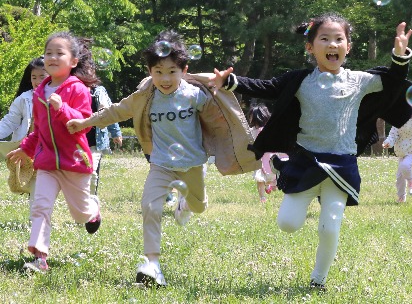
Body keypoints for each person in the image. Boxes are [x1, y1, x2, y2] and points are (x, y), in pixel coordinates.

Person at [197, 12, 412, 290]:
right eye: (324, 39)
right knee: (288, 223)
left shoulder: (360, 80)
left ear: (348, 47)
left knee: (329, 227)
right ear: (310, 47)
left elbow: (395, 82)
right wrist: (230, 82)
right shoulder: (301, 80)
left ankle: (318, 280)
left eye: (339, 39)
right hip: (306, 160)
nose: (332, 44)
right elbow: (267, 88)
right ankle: (281, 166)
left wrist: (400, 56)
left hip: (341, 165)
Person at [66, 31, 258, 287]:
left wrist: (218, 90)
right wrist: (85, 122)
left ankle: (184, 205)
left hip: (193, 164)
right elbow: (116, 111)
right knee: (151, 207)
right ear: (149, 71)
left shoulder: (195, 95)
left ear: (184, 70)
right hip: (161, 164)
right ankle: (152, 265)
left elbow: (220, 119)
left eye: (171, 71)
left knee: (199, 206)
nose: (164, 78)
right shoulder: (146, 96)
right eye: (158, 72)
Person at [6, 32, 102, 273]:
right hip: (47, 163)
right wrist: (25, 149)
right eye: (49, 53)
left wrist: (63, 109)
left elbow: (85, 123)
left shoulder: (78, 89)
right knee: (40, 206)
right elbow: (38, 130)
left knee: (80, 215)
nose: (52, 57)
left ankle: (93, 209)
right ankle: (40, 257)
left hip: (75, 162)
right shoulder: (40, 93)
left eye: (60, 53)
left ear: (73, 61)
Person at [0, 57, 48, 197]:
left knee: (45, 185)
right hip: (29, 149)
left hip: (50, 148)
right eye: (34, 77)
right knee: (34, 185)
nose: (37, 81)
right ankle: (36, 217)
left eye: (42, 76)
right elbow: (10, 122)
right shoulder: (24, 99)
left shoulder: (59, 96)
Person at [87, 84, 123, 195]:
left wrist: (115, 132)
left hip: (95, 140)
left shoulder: (99, 91)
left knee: (92, 172)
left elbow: (109, 112)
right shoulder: (72, 88)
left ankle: (92, 200)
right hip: (78, 140)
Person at [246, 103, 278, 203]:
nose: (250, 118)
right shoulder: (252, 131)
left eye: (251, 116)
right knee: (260, 178)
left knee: (270, 177)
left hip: (268, 158)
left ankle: (270, 185)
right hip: (261, 159)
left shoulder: (268, 130)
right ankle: (262, 197)